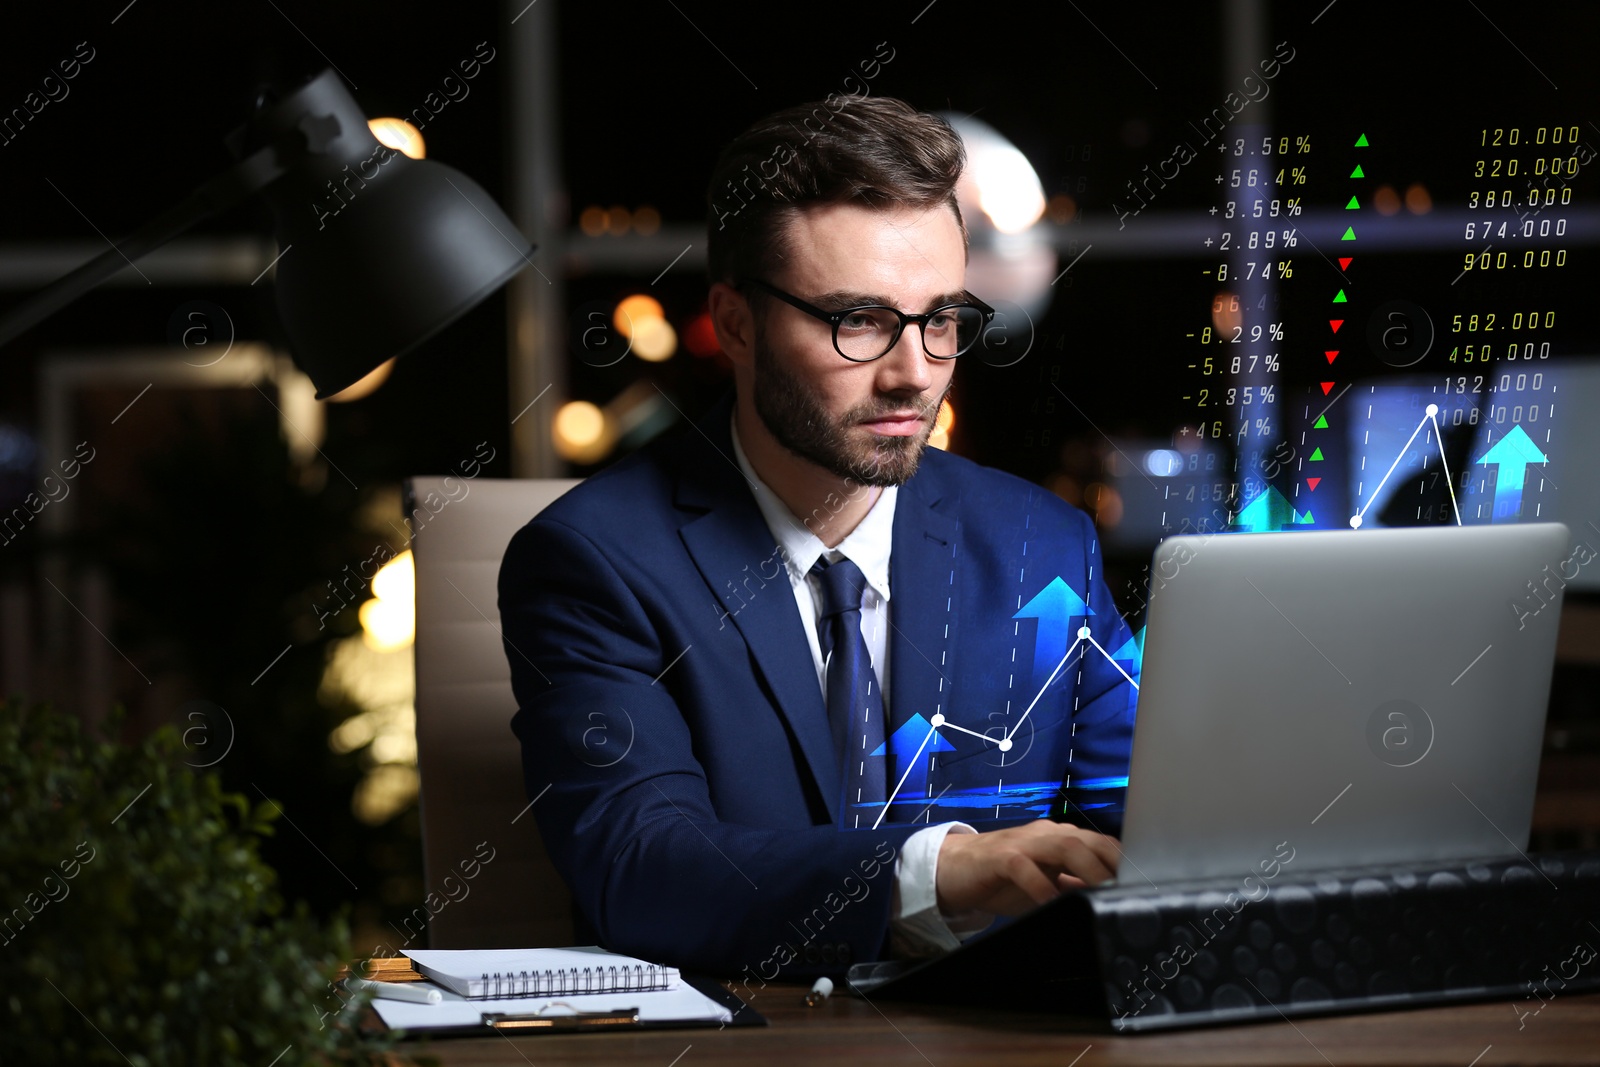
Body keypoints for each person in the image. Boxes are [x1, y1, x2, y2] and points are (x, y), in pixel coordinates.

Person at [498, 96, 1136, 983]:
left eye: (943, 317)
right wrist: (934, 871)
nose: (914, 372)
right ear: (737, 324)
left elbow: (1151, 819)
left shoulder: (1042, 543)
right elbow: (640, 870)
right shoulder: (593, 561)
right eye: (859, 320)